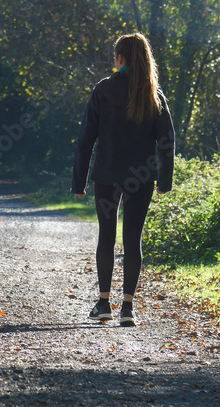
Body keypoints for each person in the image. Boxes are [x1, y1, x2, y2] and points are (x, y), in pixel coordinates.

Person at [71, 33, 175, 326]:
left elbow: (85, 139)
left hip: (106, 174)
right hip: (140, 177)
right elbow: (167, 140)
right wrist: (164, 179)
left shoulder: (103, 90)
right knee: (133, 238)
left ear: (120, 58)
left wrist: (78, 181)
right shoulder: (152, 93)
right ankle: (127, 308)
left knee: (106, 234)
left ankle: (104, 302)